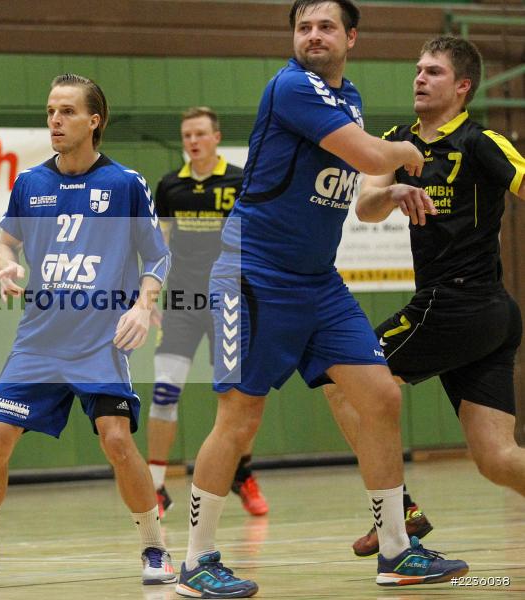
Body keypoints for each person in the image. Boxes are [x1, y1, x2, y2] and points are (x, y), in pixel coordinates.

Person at [175, 2, 469, 597]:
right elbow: (368, 158)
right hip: (253, 273)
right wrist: (409, 155)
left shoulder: (349, 97)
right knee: (239, 417)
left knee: (382, 397)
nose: (313, 35)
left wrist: (391, 189)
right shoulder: (291, 86)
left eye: (326, 26)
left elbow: (359, 184)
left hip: (317, 281)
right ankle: (196, 562)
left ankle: (395, 552)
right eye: (304, 27)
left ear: (351, 37)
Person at [0, 73, 177, 590]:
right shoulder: (31, 184)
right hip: (39, 342)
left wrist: (142, 305)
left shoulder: (123, 184)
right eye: (50, 111)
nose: (54, 121)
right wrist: (5, 264)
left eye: (66, 111)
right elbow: (5, 243)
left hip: (99, 342)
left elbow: (158, 255)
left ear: (94, 121)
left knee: (116, 439)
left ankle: (154, 546)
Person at [324, 34, 525, 558]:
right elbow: (366, 208)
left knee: (340, 380)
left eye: (433, 72)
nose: (419, 78)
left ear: (462, 87)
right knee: (497, 458)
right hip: (479, 314)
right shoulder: (398, 140)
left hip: (458, 302)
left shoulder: (480, 142)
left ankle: (400, 515)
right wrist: (389, 191)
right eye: (417, 69)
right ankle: (401, 514)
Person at [148, 107, 268, 519]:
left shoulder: (239, 181)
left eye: (200, 134)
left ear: (216, 137)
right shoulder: (169, 186)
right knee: (164, 392)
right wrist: (149, 299)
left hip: (228, 302)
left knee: (237, 398)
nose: (193, 142)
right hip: (181, 302)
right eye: (187, 136)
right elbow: (158, 248)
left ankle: (242, 474)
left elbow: (256, 241)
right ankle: (156, 487)